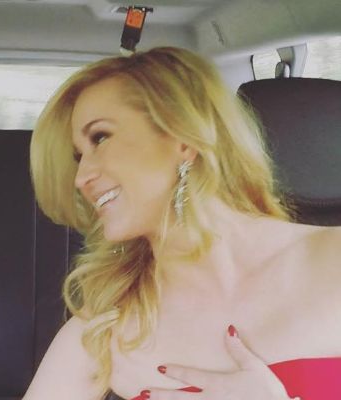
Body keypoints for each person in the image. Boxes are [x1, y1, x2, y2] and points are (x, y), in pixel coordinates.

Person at [24, 47, 341, 400]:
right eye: (79, 156)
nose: (81, 177)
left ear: (183, 138)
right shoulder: (103, 330)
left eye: (100, 138)